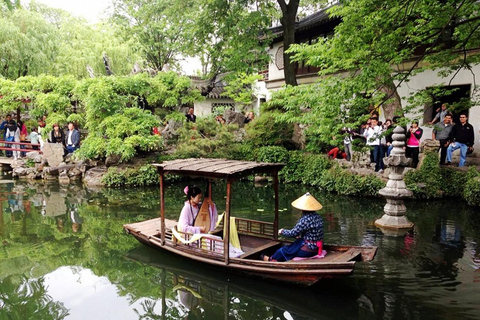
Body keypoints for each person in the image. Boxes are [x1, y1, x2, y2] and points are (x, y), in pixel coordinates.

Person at [261, 193, 324, 262]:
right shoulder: (318, 217)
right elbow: (311, 232)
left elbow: (293, 233)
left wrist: (282, 231)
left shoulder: (305, 219)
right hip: (316, 247)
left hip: (308, 249)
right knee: (291, 246)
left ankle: (271, 260)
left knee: (283, 250)